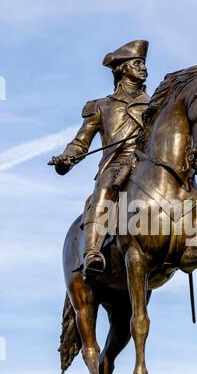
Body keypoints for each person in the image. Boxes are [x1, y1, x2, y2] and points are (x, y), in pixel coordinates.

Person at [50, 40, 150, 279]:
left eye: (144, 63)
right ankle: (92, 251)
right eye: (137, 63)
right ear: (122, 69)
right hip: (116, 165)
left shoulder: (155, 104)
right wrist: (68, 158)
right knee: (103, 191)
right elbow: (80, 142)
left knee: (188, 190)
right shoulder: (102, 106)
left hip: (147, 164)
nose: (143, 68)